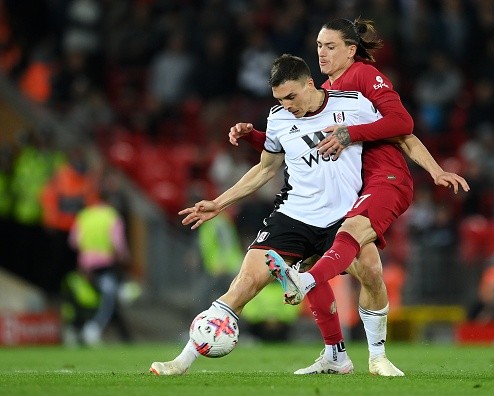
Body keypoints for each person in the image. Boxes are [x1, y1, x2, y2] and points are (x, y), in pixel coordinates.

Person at [230, 18, 469, 374]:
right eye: (318, 47)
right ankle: (337, 355)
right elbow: (289, 143)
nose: (322, 53)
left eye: (330, 46)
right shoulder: (325, 89)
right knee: (365, 268)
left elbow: (403, 125)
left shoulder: (361, 76)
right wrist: (253, 137)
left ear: (351, 50)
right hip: (356, 186)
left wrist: (352, 136)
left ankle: (358, 337)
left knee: (351, 233)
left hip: (385, 178)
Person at [151, 53, 389, 376]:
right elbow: (265, 169)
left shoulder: (355, 105)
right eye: (279, 98)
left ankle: (377, 357)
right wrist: (219, 203)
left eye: (291, 96)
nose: (286, 104)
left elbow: (394, 131)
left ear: (310, 83)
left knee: (372, 271)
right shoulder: (278, 118)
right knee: (244, 283)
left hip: (344, 218)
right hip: (292, 216)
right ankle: (183, 361)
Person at [68, 184, 131, 345]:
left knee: (91, 299)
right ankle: (93, 328)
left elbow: (74, 242)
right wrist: (125, 257)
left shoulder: (84, 215)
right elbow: (117, 243)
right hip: (105, 265)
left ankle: (78, 329)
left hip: (85, 267)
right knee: (108, 298)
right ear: (109, 201)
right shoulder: (112, 216)